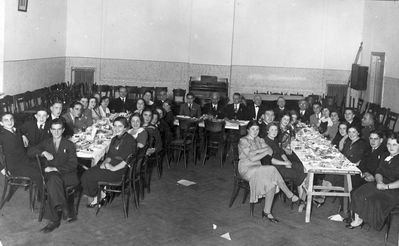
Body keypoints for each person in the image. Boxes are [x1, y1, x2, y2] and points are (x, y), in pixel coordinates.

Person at [238, 121, 299, 223]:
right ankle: (289, 195)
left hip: (259, 167)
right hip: (246, 168)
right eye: (253, 129)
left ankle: (267, 212)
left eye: (257, 129)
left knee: (272, 182)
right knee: (272, 169)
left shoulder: (259, 139)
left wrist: (258, 152)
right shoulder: (243, 140)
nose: (255, 131)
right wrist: (263, 151)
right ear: (248, 130)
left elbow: (270, 151)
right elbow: (252, 158)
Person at [27, 119, 79, 233]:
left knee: (52, 182)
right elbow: (30, 151)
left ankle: (54, 221)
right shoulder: (46, 142)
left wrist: (55, 168)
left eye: (59, 129)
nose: (56, 132)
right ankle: (64, 208)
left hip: (67, 175)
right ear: (50, 130)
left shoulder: (69, 144)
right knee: (53, 180)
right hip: (52, 175)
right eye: (54, 130)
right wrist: (43, 153)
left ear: (63, 130)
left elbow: (73, 164)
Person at [81, 117, 137, 207]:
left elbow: (126, 161)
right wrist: (104, 163)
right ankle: (100, 194)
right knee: (87, 173)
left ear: (126, 127)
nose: (117, 128)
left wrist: (113, 168)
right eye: (115, 126)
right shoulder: (115, 139)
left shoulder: (129, 140)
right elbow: (110, 155)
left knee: (89, 176)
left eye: (120, 126)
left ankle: (95, 196)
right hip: (111, 165)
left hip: (120, 171)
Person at [348, 132, 399, 230]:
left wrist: (385, 186)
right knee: (358, 193)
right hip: (381, 183)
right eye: (388, 144)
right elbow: (378, 171)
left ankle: (371, 221)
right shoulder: (385, 155)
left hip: (394, 189)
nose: (390, 147)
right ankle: (358, 220)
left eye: (394, 145)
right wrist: (379, 182)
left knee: (374, 199)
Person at [263, 123, 307, 200]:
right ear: (267, 131)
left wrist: (287, 160)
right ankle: (303, 198)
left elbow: (281, 152)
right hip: (275, 167)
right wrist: (285, 163)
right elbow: (270, 160)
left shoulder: (275, 140)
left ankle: (302, 196)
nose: (274, 132)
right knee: (297, 174)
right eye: (272, 130)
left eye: (276, 130)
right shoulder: (265, 142)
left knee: (302, 168)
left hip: (283, 162)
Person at [0, 113, 42, 193]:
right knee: (37, 175)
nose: (9, 122)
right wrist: (1, 168)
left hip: (24, 161)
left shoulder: (16, 130)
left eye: (11, 119)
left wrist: (23, 135)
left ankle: (41, 193)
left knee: (43, 166)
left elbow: (20, 128)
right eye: (6, 120)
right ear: (1, 123)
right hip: (14, 166)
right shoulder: (2, 136)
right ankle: (42, 199)